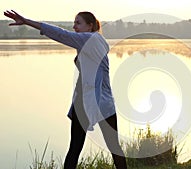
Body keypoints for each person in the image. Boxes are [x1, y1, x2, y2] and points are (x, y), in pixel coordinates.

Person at [4, 10, 127, 169]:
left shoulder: (91, 39)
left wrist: (27, 21)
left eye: (78, 23)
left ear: (90, 26)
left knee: (84, 148)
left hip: (97, 101)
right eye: (74, 23)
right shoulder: (94, 41)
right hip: (92, 102)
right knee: (97, 147)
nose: (74, 26)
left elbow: (60, 34)